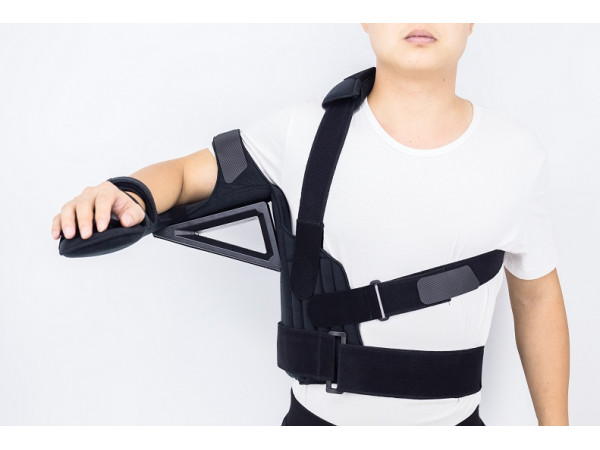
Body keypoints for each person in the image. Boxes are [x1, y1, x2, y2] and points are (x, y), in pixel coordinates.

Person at [51, 23, 570, 425]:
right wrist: (128, 193)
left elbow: (537, 296)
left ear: (473, 19)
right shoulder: (301, 132)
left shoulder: (517, 153)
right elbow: (189, 175)